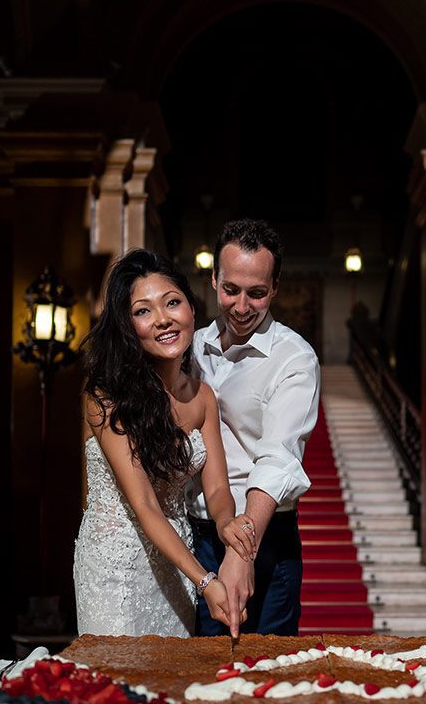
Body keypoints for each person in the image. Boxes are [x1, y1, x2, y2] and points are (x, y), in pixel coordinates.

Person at [74, 249, 256, 637]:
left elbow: (219, 487)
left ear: (191, 307)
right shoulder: (105, 398)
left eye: (172, 302)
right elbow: (144, 504)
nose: (163, 320)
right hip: (115, 565)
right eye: (143, 311)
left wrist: (226, 523)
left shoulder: (203, 397)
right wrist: (205, 581)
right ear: (127, 325)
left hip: (176, 560)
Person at [188, 219, 320, 636]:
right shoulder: (187, 347)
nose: (242, 307)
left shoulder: (294, 358)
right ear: (213, 279)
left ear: (275, 287)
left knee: (264, 679)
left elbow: (277, 457)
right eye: (231, 290)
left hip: (264, 539)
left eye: (257, 293)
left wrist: (242, 551)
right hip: (193, 535)